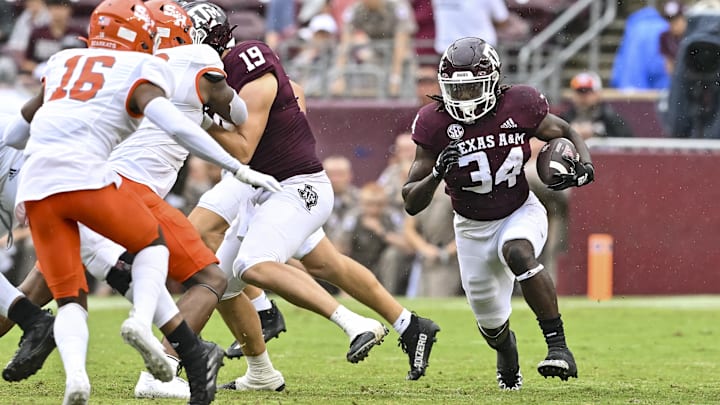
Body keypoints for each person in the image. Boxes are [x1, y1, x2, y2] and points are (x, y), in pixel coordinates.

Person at [0, 1, 287, 400]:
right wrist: (224, 147)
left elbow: (17, 133)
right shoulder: (169, 63)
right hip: (110, 187)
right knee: (205, 276)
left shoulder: (66, 60)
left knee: (41, 294)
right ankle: (161, 362)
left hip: (38, 184)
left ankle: (77, 373)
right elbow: (227, 116)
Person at [183, 1, 441, 381]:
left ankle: (350, 321)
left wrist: (197, 119)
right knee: (245, 278)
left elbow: (242, 147)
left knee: (244, 261)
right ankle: (406, 325)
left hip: (293, 185)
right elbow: (291, 91)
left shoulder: (245, 60)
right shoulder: (215, 74)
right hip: (264, 187)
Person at [402, 37, 595, 390]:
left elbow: (564, 130)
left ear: (492, 81)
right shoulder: (433, 122)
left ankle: (559, 348)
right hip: (471, 228)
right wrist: (435, 174)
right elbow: (411, 201)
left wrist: (584, 163)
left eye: (473, 87)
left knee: (518, 251)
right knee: (491, 323)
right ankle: (507, 352)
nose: (464, 98)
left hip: (519, 209)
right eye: (456, 90)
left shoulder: (519, 103)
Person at [559, 71, 635, 139]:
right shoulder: (566, 117)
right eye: (579, 92)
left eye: (587, 91)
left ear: (598, 93)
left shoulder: (611, 117)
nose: (583, 96)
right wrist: (569, 132)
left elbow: (626, 140)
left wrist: (597, 133)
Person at [659, 1, 687, 76]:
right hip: (678, 78)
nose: (672, 23)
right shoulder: (665, 36)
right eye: (669, 20)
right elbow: (669, 65)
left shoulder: (693, 35)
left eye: (676, 20)